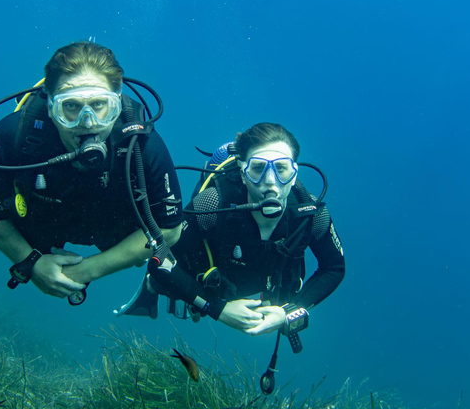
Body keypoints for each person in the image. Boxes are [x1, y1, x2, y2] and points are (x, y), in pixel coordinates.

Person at [0, 41, 183, 301]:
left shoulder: (141, 144)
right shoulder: (15, 134)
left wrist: (86, 271)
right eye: (70, 106)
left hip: (111, 228)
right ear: (50, 106)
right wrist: (30, 261)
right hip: (42, 224)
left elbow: (170, 228)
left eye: (100, 105)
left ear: (118, 101)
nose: (87, 123)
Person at [118, 122, 344, 337]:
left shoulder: (312, 214)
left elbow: (334, 268)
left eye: (282, 168)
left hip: (264, 284)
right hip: (215, 281)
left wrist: (288, 312)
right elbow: (159, 261)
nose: (271, 181)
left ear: (294, 174)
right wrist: (218, 309)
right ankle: (151, 289)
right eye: (258, 168)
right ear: (243, 174)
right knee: (163, 283)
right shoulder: (212, 204)